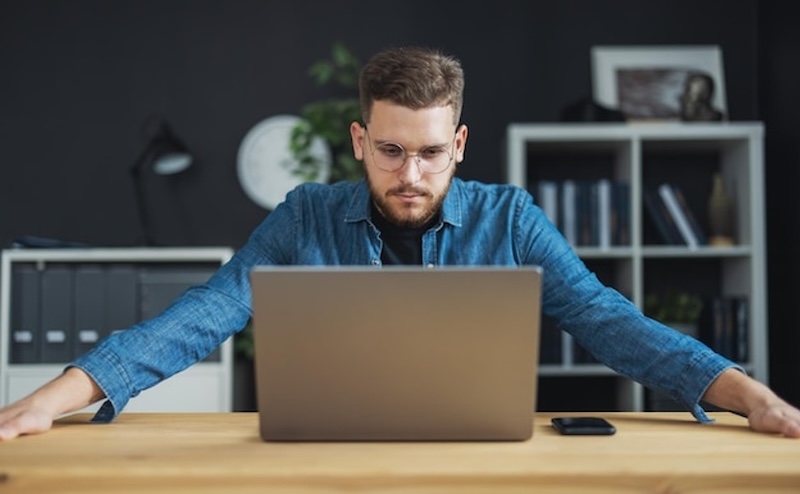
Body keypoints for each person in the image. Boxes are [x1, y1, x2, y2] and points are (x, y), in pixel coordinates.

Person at [1, 45, 798, 440]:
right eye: (389, 150)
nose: (408, 173)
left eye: (427, 152)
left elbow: (609, 321)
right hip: (324, 463)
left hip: (476, 465)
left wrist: (752, 397)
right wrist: (55, 397)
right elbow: (201, 316)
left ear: (459, 144)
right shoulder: (304, 216)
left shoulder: (511, 218)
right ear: (358, 139)